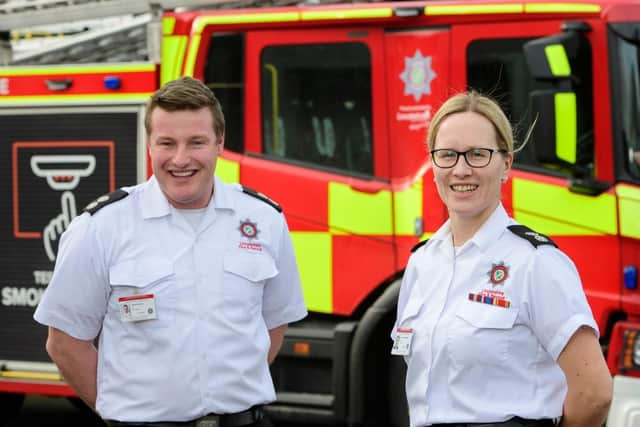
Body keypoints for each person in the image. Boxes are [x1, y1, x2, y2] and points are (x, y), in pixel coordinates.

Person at [34, 76, 307, 427]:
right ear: (149, 144)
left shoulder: (264, 219)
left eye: (196, 142)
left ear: (219, 142)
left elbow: (273, 324)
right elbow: (65, 343)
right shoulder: (101, 227)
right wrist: (121, 413)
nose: (181, 159)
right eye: (167, 143)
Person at [391, 92, 612, 427]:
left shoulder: (536, 263)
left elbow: (594, 393)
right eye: (447, 155)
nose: (461, 169)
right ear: (433, 164)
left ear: (506, 164)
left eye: (478, 155)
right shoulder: (422, 264)